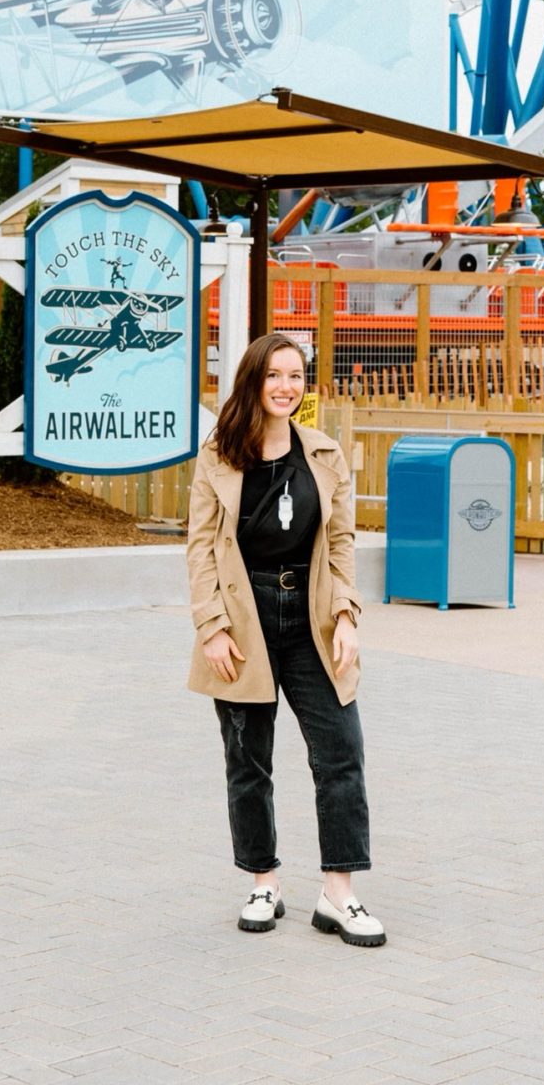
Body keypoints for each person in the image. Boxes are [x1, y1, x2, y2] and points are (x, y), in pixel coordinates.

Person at [186, 332, 385, 946]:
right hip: (244, 618)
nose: (285, 387)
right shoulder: (218, 456)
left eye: (295, 375)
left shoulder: (324, 454)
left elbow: (344, 542)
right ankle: (263, 880)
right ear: (253, 380)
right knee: (248, 760)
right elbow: (199, 549)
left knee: (340, 753)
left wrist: (348, 615)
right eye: (274, 375)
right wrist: (212, 628)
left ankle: (338, 894)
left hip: (312, 615)